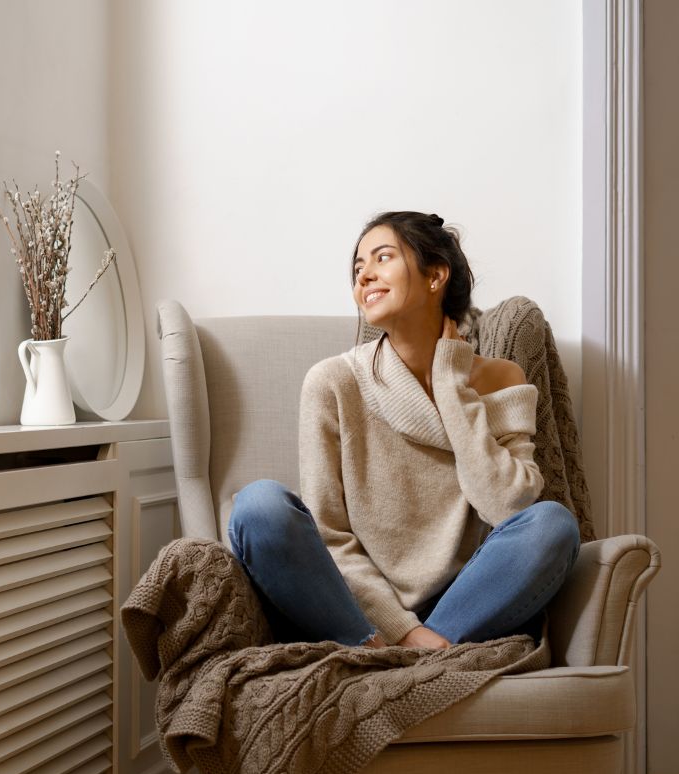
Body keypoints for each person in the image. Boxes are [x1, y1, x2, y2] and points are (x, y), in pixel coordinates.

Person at [228, 211, 580, 649]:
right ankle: (407, 651)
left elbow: (507, 506)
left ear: (435, 275)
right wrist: (401, 629)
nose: (365, 275)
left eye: (382, 257)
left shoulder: (501, 378)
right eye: (358, 268)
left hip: (465, 600)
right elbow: (329, 534)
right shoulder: (333, 382)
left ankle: (408, 656)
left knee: (553, 524)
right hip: (360, 611)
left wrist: (452, 385)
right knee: (259, 506)